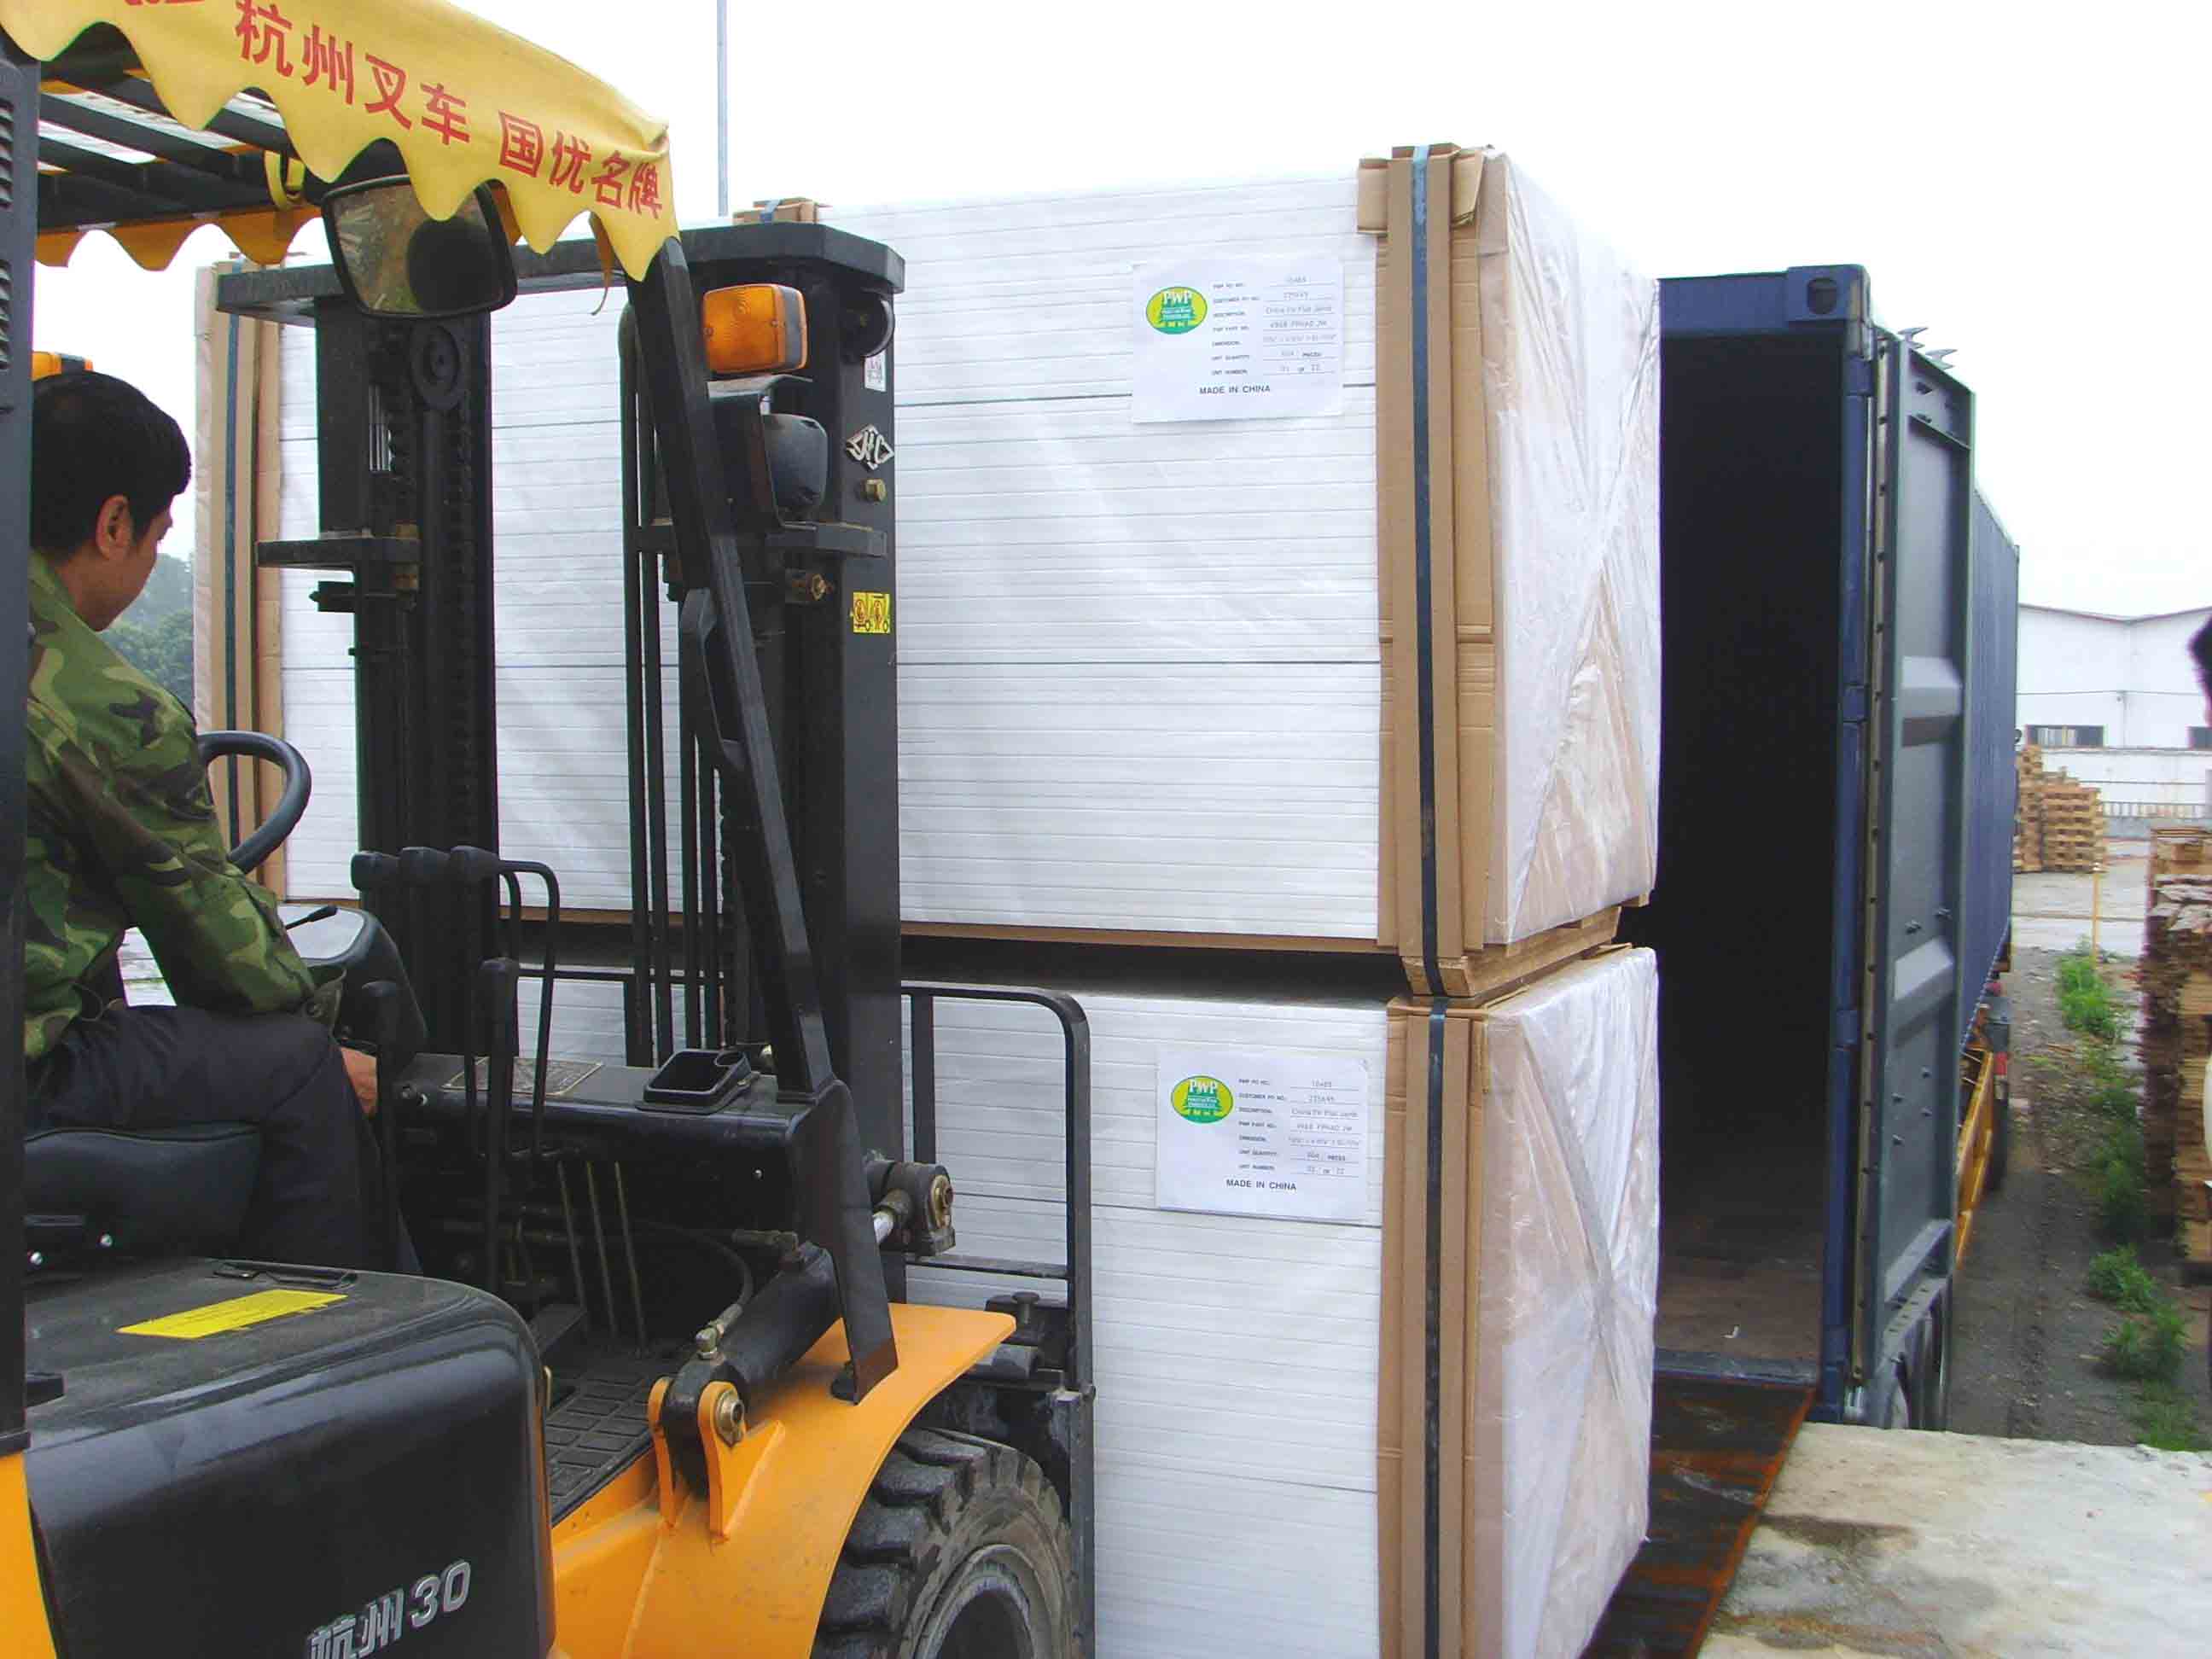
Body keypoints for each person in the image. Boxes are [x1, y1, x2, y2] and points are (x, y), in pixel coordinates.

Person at [25, 370, 396, 1270]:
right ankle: (333, 1327)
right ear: (114, 524)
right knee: (299, 1065)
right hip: (27, 1077)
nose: (151, 560)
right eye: (157, 537)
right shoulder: (100, 702)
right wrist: (323, 1034)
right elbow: (216, 947)